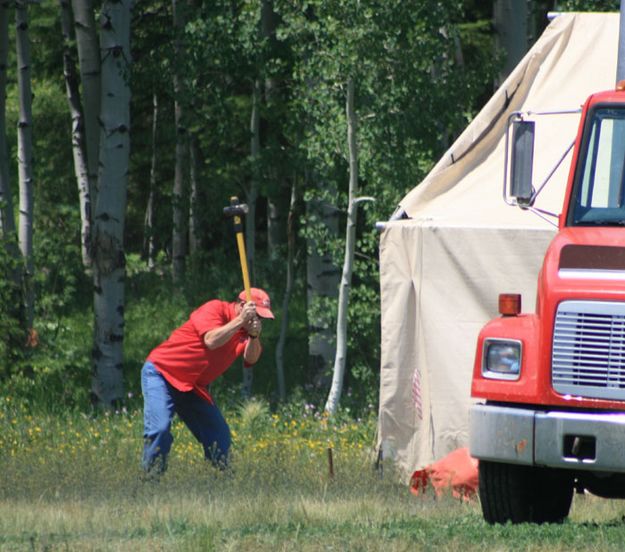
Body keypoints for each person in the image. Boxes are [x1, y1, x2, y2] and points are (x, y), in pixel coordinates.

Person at [140, 287, 274, 473]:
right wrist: (240, 321)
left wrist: (253, 335)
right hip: (162, 373)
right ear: (243, 306)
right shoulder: (215, 308)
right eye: (256, 315)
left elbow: (251, 358)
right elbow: (211, 340)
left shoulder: (245, 331)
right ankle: (150, 483)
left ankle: (221, 486)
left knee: (220, 437)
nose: (258, 320)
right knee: (160, 429)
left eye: (262, 318)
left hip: (192, 386)